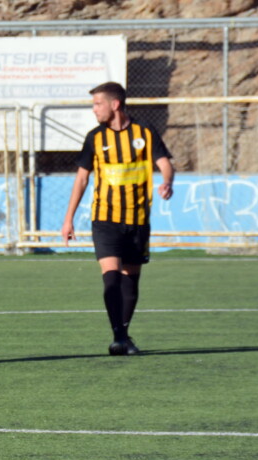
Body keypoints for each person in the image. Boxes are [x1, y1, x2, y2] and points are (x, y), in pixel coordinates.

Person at [60, 82, 174, 355]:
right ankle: (119, 337)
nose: (94, 109)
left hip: (138, 220)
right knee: (111, 278)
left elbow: (164, 163)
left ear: (115, 104)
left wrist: (167, 182)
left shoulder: (145, 132)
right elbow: (82, 178)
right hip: (105, 219)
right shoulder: (95, 138)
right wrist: (68, 219)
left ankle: (123, 335)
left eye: (97, 103)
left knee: (130, 281)